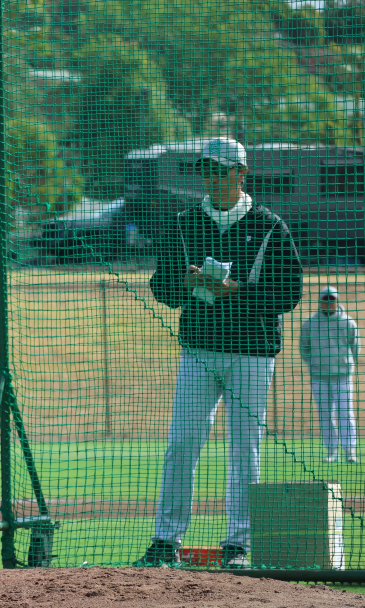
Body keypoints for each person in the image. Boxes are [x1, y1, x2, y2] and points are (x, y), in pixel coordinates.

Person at [135, 138, 303, 569]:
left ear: (241, 173)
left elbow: (289, 293)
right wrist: (185, 284)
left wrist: (236, 290)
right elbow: (162, 287)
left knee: (245, 449)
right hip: (199, 349)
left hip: (252, 353)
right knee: (182, 443)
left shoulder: (270, 225)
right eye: (204, 169)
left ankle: (238, 545)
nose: (210, 177)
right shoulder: (183, 222)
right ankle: (165, 541)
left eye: (219, 169)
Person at [300, 286, 360, 464]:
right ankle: (332, 451)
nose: (328, 302)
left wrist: (347, 365)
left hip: (342, 376)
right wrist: (314, 365)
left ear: (337, 300)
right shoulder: (310, 323)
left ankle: (350, 451)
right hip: (319, 377)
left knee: (345, 413)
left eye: (332, 299)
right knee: (325, 415)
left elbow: (355, 348)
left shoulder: (348, 322)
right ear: (320, 301)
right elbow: (304, 348)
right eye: (325, 299)